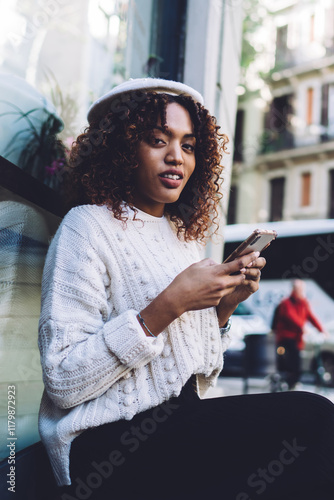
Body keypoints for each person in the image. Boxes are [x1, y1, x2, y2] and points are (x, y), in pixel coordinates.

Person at [38, 78, 334, 500]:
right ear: (123, 149)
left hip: (179, 423)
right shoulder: (86, 227)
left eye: (189, 145)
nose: (176, 156)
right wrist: (169, 304)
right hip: (106, 444)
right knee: (316, 420)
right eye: (158, 140)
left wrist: (223, 310)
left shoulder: (182, 237)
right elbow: (63, 380)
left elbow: (194, 374)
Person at [273, 279, 327, 389]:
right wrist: (302, 327)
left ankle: (292, 383)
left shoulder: (303, 302)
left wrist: (322, 330)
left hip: (297, 338)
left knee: (296, 363)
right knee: (292, 362)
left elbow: (311, 317)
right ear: (294, 289)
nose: (302, 291)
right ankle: (289, 382)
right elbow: (290, 317)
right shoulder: (286, 303)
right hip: (286, 337)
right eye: (300, 289)